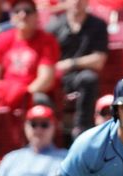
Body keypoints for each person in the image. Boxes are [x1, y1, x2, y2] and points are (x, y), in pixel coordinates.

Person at [0, 0, 60, 164]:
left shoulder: (46, 40)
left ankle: (45, 156)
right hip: (6, 93)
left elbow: (46, 79)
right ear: (12, 16)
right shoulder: (1, 40)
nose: (22, 14)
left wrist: (23, 95)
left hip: (32, 93)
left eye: (28, 10)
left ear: (36, 16)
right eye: (17, 11)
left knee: (40, 101)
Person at [45, 0, 108, 137]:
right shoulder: (54, 27)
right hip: (59, 76)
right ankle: (51, 131)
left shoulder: (98, 25)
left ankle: (82, 129)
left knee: (88, 79)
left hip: (82, 75)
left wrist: (72, 63)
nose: (76, 2)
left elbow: (99, 60)